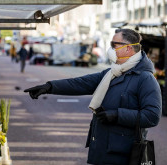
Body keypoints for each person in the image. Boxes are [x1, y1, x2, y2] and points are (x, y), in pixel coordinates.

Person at [24, 29, 162, 165]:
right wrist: (49, 87)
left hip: (124, 153)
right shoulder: (112, 73)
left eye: (114, 45)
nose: (110, 49)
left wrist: (117, 115)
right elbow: (80, 83)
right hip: (104, 148)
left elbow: (152, 116)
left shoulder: (145, 78)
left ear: (128, 49)